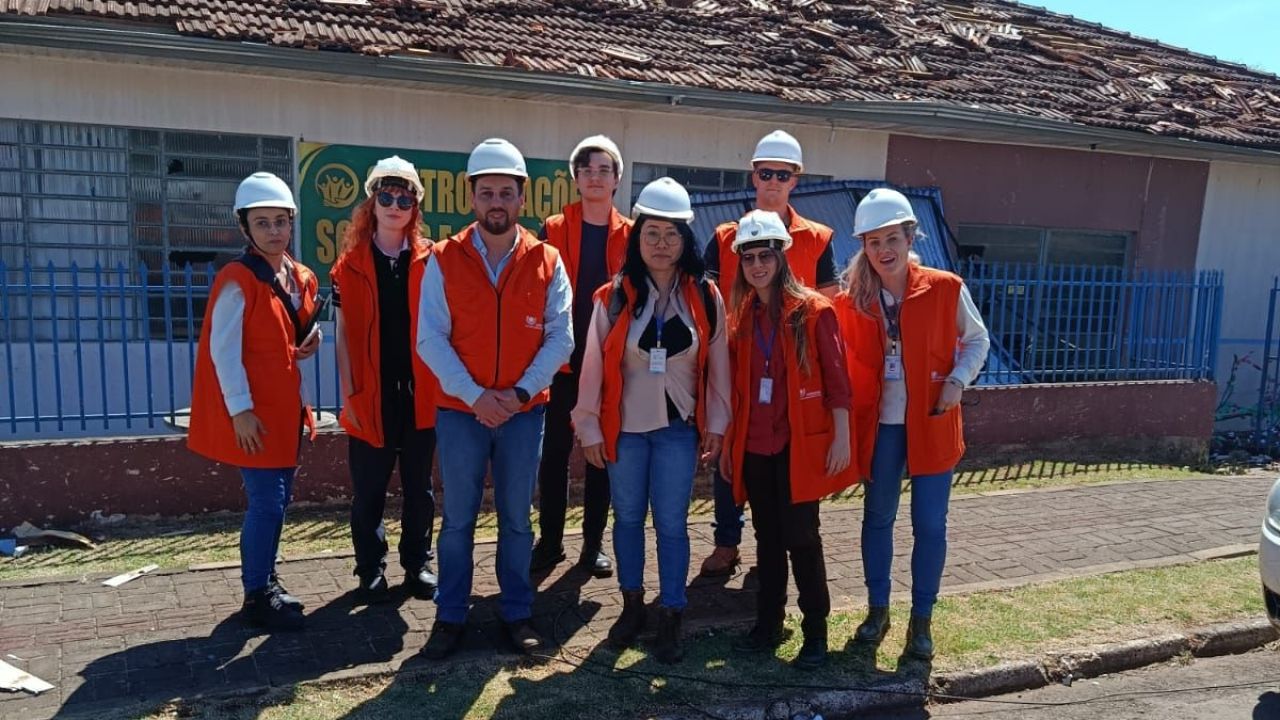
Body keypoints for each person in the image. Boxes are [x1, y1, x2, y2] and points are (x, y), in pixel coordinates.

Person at [416, 139, 573, 659]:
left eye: (506, 192)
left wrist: (520, 392)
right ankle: (450, 614)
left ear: (522, 198)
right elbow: (430, 338)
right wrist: (477, 396)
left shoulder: (548, 259)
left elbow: (562, 337)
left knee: (515, 519)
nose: (496, 202)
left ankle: (517, 613)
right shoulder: (443, 257)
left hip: (525, 413)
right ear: (472, 198)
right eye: (487, 193)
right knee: (458, 519)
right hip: (461, 414)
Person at [573, 177, 731, 664]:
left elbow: (720, 362)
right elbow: (593, 368)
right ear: (636, 237)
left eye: (672, 235)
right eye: (651, 233)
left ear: (685, 241)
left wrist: (718, 423)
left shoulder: (705, 296)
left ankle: (672, 613)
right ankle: (632, 605)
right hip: (625, 431)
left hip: (678, 431)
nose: (661, 245)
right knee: (626, 520)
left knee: (672, 524)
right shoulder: (612, 297)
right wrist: (590, 428)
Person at [835, 188, 990, 662]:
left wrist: (958, 382)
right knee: (877, 518)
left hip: (932, 419)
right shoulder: (855, 299)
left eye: (892, 239)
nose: (884, 251)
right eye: (874, 242)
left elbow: (977, 340)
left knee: (930, 524)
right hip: (881, 425)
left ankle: (921, 621)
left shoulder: (944, 287)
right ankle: (877, 610)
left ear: (909, 236)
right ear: (864, 245)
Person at [699, 129, 840, 578]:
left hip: (793, 375)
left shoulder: (817, 238)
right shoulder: (725, 237)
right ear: (753, 176)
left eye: (783, 174)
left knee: (785, 460)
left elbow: (831, 302)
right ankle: (727, 541)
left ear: (795, 179)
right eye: (766, 173)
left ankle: (775, 542)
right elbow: (701, 301)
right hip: (738, 365)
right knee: (727, 452)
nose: (773, 181)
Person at [720, 210, 856, 670]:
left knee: (802, 539)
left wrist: (841, 437)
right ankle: (769, 624)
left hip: (798, 448)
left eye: (766, 255)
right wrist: (727, 447)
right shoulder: (742, 316)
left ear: (782, 257)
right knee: (766, 540)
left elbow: (839, 381)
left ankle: (815, 632)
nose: (758, 264)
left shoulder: (815, 310)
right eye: (749, 257)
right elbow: (737, 392)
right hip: (757, 447)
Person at [188, 172, 322, 631]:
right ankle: (256, 596)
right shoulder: (236, 279)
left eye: (280, 221)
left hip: (287, 411)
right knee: (267, 503)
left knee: (278, 502)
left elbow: (300, 328)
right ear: (245, 229)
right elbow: (221, 351)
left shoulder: (301, 276)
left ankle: (267, 580)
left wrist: (312, 340)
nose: (273, 231)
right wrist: (240, 410)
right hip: (255, 416)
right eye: (262, 223)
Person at [331, 156, 440, 605]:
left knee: (420, 489)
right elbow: (340, 338)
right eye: (387, 196)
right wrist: (350, 394)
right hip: (371, 396)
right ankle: (370, 568)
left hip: (421, 395)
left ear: (415, 205)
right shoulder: (349, 266)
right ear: (372, 202)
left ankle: (417, 563)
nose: (395, 205)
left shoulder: (433, 260)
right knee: (369, 490)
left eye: (404, 197)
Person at [531, 135, 631, 578]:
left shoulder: (632, 234)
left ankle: (594, 546)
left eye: (604, 169)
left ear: (616, 180)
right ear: (575, 178)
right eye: (587, 168)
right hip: (559, 364)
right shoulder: (551, 228)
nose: (595, 176)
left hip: (608, 363)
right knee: (553, 456)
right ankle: (550, 542)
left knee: (601, 456)